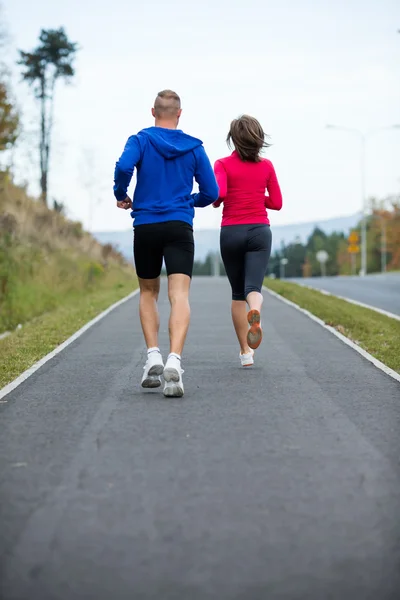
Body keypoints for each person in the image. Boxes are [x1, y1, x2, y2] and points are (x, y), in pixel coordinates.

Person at [114, 90, 219, 397]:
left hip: (145, 225)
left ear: (153, 111)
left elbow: (123, 167)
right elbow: (211, 192)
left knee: (148, 292)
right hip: (178, 227)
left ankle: (152, 358)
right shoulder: (194, 147)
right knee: (179, 294)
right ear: (179, 114)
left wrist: (122, 194)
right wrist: (189, 201)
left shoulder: (140, 140)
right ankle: (174, 360)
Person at [213, 115, 283, 367]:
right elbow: (276, 203)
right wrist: (255, 197)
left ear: (232, 139)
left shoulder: (222, 164)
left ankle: (245, 353)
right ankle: (256, 312)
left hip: (231, 231)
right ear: (259, 139)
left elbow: (218, 193)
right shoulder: (267, 166)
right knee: (253, 288)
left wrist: (221, 199)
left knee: (236, 294)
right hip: (259, 231)